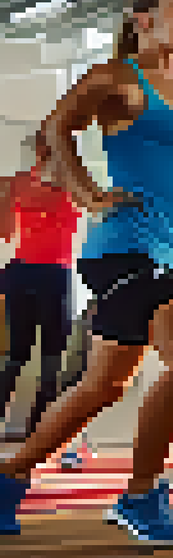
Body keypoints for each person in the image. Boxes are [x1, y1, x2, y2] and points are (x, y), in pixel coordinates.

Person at [0, 0, 173, 543]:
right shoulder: (120, 77)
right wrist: (88, 196)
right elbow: (57, 127)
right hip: (126, 249)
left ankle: (6, 478)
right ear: (142, 19)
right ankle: (140, 496)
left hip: (169, 255)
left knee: (100, 387)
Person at [0, 130, 84, 438]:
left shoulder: (75, 184)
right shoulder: (20, 183)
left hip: (56, 275)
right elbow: (5, 232)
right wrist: (9, 196)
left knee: (52, 358)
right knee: (15, 356)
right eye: (43, 148)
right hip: (22, 273)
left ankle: (42, 432)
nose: (47, 154)